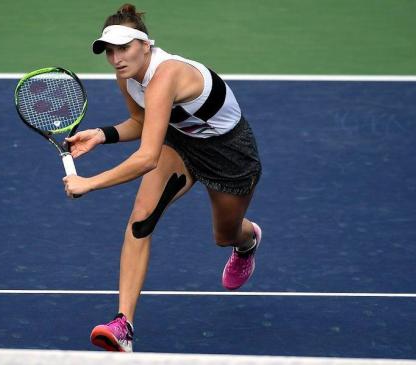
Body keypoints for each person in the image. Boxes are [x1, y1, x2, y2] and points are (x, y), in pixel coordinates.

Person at [62, 4, 263, 353]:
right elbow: (143, 123)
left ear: (146, 44)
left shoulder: (167, 73)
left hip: (229, 152)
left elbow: (145, 157)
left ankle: (247, 241)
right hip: (180, 143)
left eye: (124, 48)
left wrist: (91, 182)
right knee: (140, 220)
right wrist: (101, 134)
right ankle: (123, 324)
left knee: (225, 234)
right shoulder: (126, 78)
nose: (116, 58)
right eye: (110, 51)